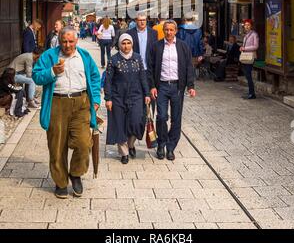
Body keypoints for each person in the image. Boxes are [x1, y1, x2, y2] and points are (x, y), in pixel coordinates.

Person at [32, 27, 101, 199]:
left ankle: (76, 174)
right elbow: (36, 76)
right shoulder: (49, 56)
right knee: (57, 146)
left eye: (71, 41)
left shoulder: (84, 56)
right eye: (64, 41)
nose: (68, 45)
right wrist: (51, 72)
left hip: (82, 103)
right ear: (60, 41)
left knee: (84, 143)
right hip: (57, 103)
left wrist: (97, 99)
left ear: (77, 40)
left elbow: (94, 77)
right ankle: (61, 182)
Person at [147, 20, 196, 161]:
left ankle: (171, 147)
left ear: (176, 31)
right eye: (166, 30)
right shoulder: (156, 46)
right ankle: (161, 144)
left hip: (177, 87)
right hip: (161, 86)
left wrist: (191, 86)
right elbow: (150, 68)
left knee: (176, 119)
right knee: (161, 116)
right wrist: (152, 86)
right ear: (163, 30)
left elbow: (189, 67)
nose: (168, 32)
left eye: (171, 30)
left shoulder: (183, 46)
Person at [104, 34, 151, 164]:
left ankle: (131, 144)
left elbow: (143, 77)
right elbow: (108, 80)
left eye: (128, 43)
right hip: (118, 97)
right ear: (119, 45)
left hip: (136, 96)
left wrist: (147, 94)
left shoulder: (137, 58)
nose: (126, 46)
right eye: (123, 43)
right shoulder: (113, 60)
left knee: (136, 122)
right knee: (120, 124)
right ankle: (124, 152)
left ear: (132, 44)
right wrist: (108, 98)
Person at [240, 20, 259, 100]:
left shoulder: (254, 34)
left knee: (248, 75)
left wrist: (245, 48)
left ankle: (252, 93)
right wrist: (242, 48)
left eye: (248, 25)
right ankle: (250, 92)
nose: (246, 26)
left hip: (251, 56)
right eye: (245, 25)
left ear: (251, 26)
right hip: (245, 56)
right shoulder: (246, 35)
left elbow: (256, 46)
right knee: (247, 75)